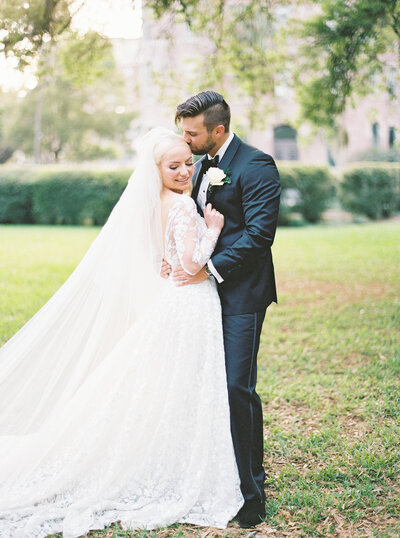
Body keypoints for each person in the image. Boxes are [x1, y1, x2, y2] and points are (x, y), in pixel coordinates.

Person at [0, 128, 244, 538]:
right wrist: (214, 229)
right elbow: (192, 264)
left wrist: (172, 262)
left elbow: (158, 257)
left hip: (173, 300)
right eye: (174, 166)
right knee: (186, 383)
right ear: (156, 169)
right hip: (190, 303)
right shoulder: (183, 207)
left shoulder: (156, 204)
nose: (185, 171)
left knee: (165, 383)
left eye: (188, 163)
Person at [162, 91, 281, 528]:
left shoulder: (257, 165)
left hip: (242, 294)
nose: (185, 140)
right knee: (204, 386)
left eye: (192, 132)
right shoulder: (196, 166)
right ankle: (215, 477)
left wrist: (207, 269)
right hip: (198, 299)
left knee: (236, 387)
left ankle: (252, 492)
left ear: (217, 129)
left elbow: (259, 235)